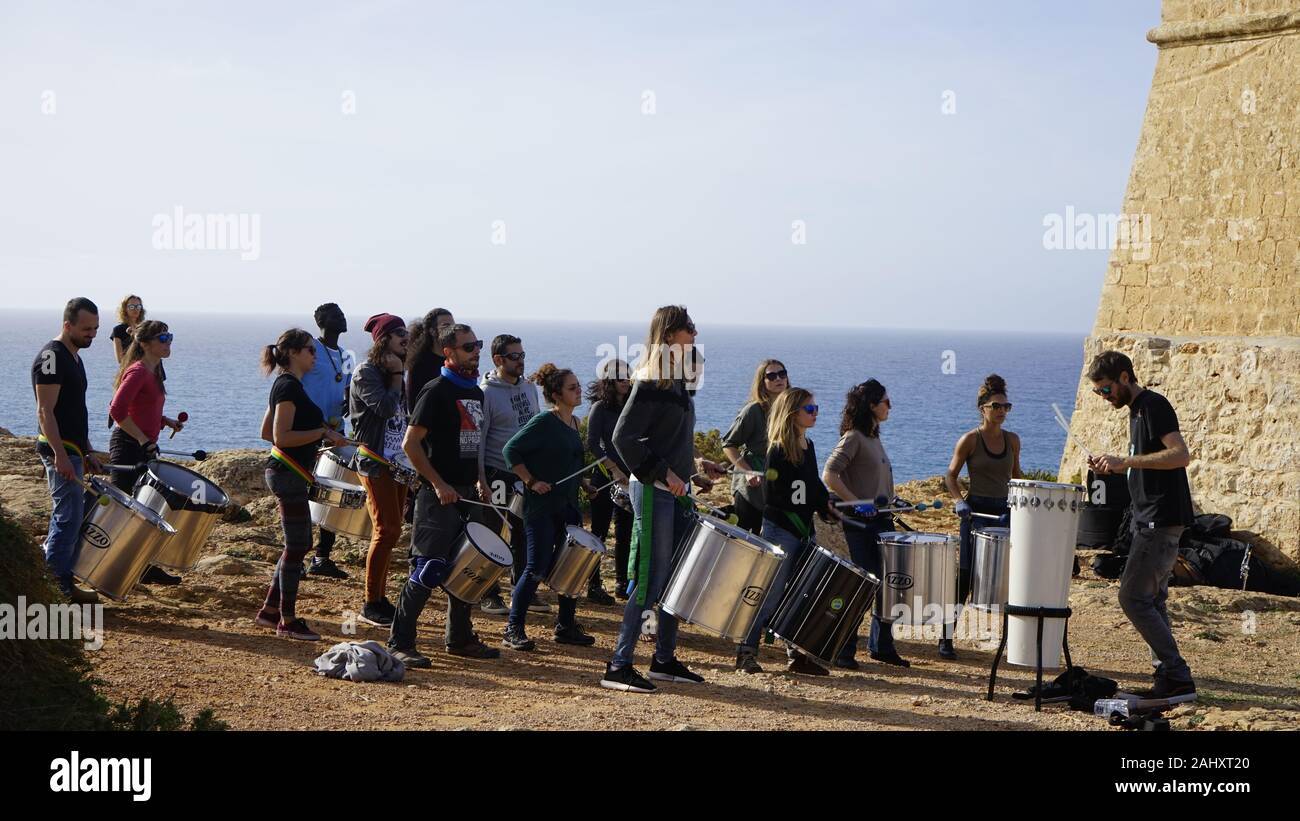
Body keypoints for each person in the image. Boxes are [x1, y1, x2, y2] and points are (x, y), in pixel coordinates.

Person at [599, 305, 726, 693]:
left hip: (676, 491)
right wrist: (666, 474)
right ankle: (618, 665)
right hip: (654, 492)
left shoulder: (676, 383)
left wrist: (693, 467)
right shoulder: (652, 381)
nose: (695, 332)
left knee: (676, 579)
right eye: (689, 328)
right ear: (670, 334)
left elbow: (666, 438)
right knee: (651, 579)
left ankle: (664, 660)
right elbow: (623, 439)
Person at [387, 323, 501, 667]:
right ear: (447, 352)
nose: (475, 351)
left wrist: (480, 480)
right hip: (438, 496)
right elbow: (410, 444)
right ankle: (400, 642)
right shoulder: (436, 391)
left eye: (477, 345)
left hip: (468, 493)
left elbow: (475, 446)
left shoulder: (476, 393)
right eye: (468, 347)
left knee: (466, 567)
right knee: (429, 568)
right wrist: (438, 484)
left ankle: (460, 638)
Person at [1087, 350, 1196, 699]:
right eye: (1098, 393)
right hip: (1150, 520)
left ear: (1123, 377)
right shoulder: (1136, 411)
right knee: (1154, 601)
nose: (1104, 398)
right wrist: (1115, 466)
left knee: (1132, 598)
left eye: (1105, 390)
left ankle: (1176, 675)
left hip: (1160, 521)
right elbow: (1144, 464)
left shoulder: (1152, 405)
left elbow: (1180, 455)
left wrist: (1126, 460)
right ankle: (1168, 676)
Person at [735, 388, 840, 675]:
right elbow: (777, 495)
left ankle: (796, 654)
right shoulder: (778, 450)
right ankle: (746, 652)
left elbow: (813, 486)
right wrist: (814, 501)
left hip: (803, 528)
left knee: (800, 592)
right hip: (781, 529)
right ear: (793, 414)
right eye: (809, 409)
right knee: (769, 592)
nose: (815, 412)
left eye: (815, 407)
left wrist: (826, 504)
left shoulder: (809, 445)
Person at [254, 328, 348, 641]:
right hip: (287, 473)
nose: (314, 354)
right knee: (298, 545)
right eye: (310, 349)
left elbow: (266, 432)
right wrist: (321, 433)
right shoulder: (289, 387)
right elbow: (281, 437)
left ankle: (270, 612)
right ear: (294, 352)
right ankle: (287, 619)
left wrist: (318, 438)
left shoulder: (288, 385)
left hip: (288, 471)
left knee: (296, 545)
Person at [500, 364, 598, 650]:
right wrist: (531, 481)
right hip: (541, 507)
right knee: (536, 568)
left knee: (572, 566)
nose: (579, 390)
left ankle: (566, 627)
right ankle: (513, 628)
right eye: (572, 387)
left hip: (568, 506)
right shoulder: (544, 422)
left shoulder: (575, 423)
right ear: (556, 395)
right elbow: (510, 450)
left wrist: (584, 485)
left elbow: (571, 463)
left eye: (578, 385)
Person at [822, 379, 911, 668]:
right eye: (886, 401)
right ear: (872, 405)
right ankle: (843, 650)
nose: (891, 406)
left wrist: (892, 501)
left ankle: (881, 646)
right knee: (864, 583)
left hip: (882, 519)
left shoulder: (873, 437)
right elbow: (830, 474)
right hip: (861, 523)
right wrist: (857, 502)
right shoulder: (854, 437)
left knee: (889, 583)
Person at [940, 374, 1021, 659]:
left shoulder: (1012, 440)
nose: (1001, 411)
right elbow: (950, 476)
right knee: (966, 574)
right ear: (982, 408)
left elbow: (1017, 477)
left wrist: (1022, 505)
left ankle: (1012, 641)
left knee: (1009, 577)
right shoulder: (970, 440)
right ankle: (946, 637)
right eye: (996, 406)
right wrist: (959, 501)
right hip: (975, 512)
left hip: (1004, 512)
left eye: (1006, 407)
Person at [32, 297, 105, 603]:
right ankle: (55, 589)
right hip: (59, 451)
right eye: (86, 329)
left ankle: (64, 578)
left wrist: (87, 450)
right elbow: (45, 411)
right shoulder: (51, 356)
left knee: (77, 514)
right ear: (67, 325)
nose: (92, 334)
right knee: (67, 516)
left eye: (96, 328)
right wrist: (61, 455)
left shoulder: (74, 356)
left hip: (75, 449)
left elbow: (75, 410)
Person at [476, 333, 552, 616]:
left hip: (526, 475)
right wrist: (480, 477)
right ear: (498, 360)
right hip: (497, 472)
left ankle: (524, 591)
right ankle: (487, 592)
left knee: (524, 534)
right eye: (514, 356)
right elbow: (480, 440)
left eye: (522, 355)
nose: (521, 361)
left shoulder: (530, 389)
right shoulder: (486, 392)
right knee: (492, 533)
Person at [107, 319, 186, 585]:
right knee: (121, 510)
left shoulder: (152, 372)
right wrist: (142, 439)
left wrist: (165, 421)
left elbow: (140, 407)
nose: (169, 342)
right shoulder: (139, 371)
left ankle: (142, 566)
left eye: (170, 336)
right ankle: (106, 565)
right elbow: (117, 412)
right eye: (163, 338)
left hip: (143, 445)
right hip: (129, 446)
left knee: (145, 508)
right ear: (144, 343)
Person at [348, 313, 411, 627]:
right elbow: (385, 408)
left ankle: (380, 598)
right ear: (382, 339)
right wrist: (398, 376)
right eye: (398, 333)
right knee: (386, 530)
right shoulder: (366, 373)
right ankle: (370, 602)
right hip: (374, 462)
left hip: (397, 463)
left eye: (406, 333)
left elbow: (405, 417)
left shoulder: (398, 372)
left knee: (392, 531)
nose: (405, 338)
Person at [299, 303, 355, 580]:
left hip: (335, 431)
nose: (342, 318)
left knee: (332, 493)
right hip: (308, 431)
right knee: (300, 493)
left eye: (342, 314)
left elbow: (346, 387)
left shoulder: (345, 355)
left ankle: (323, 556)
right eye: (335, 315)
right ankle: (296, 555)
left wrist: (349, 401)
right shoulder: (310, 348)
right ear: (321, 321)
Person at [585, 359, 633, 600]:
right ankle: (593, 584)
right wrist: (613, 469)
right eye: (621, 377)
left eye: (628, 376)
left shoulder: (633, 405)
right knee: (599, 531)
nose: (626, 381)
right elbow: (592, 443)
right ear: (609, 381)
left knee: (626, 531)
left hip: (630, 478)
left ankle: (622, 582)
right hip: (604, 476)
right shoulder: (600, 408)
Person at [721, 359, 788, 534]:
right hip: (751, 490)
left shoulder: (792, 411)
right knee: (743, 541)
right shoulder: (753, 410)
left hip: (777, 490)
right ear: (762, 382)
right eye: (771, 376)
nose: (778, 379)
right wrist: (747, 471)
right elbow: (728, 444)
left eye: (782, 374)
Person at [405, 307, 454, 408]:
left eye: (453, 326)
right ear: (432, 331)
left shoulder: (456, 360)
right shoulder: (419, 364)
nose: (452, 330)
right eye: (446, 326)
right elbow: (413, 405)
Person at [110, 294, 145, 364]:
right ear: (125, 309)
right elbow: (120, 360)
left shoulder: (145, 328)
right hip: (129, 369)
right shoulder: (118, 330)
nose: (136, 309)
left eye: (138, 306)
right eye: (132, 306)